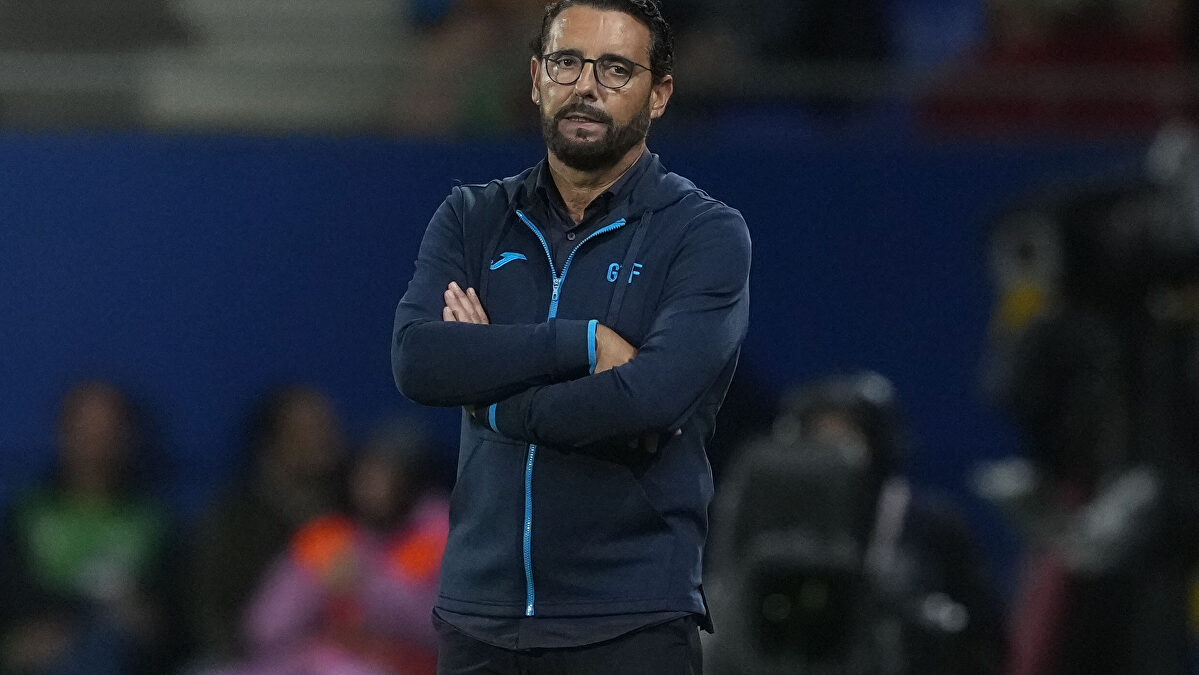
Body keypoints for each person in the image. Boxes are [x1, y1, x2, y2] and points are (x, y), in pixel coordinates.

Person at [390, 0, 751, 671]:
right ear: (536, 78)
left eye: (615, 69)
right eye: (566, 63)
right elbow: (419, 360)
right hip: (479, 622)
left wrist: (492, 401)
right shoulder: (471, 217)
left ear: (659, 94)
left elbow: (649, 399)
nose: (586, 86)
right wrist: (580, 343)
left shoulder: (701, 233)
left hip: (628, 621)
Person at [219, 420, 448, 675]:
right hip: (319, 659)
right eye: (367, 473)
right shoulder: (332, 536)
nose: (373, 487)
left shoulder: (439, 533)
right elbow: (262, 628)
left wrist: (365, 584)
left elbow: (440, 629)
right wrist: (317, 586)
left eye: (388, 474)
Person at [0, 380, 175, 675]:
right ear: (62, 432)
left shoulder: (155, 521)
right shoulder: (24, 514)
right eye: (85, 427)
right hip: (40, 653)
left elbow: (173, 620)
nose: (96, 440)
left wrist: (151, 623)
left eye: (108, 429)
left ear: (127, 438)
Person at [185, 385, 347, 663]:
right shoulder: (235, 516)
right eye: (309, 429)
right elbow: (207, 606)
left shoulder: (355, 509)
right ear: (273, 440)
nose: (325, 439)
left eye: (327, 426)